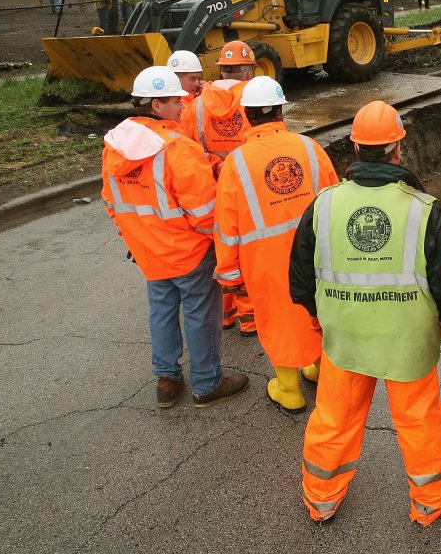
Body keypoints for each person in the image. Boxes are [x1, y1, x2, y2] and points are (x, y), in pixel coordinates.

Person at [289, 100, 441, 525]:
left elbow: (300, 274)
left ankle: (321, 498)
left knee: (334, 418)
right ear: (398, 149)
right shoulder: (425, 210)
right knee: (419, 419)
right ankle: (432, 499)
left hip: (344, 338)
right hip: (407, 341)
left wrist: (317, 317)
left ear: (354, 148)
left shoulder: (324, 204)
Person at [101, 65, 249, 408]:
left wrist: (135, 240)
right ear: (156, 106)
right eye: (175, 102)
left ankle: (166, 380)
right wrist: (220, 244)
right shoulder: (177, 148)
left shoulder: (115, 144)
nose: (183, 106)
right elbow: (204, 213)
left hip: (149, 252)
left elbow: (112, 201)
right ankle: (208, 383)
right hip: (189, 253)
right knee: (201, 315)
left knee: (162, 311)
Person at [214, 76, 339, 413]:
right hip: (314, 254)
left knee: (278, 319)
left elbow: (226, 226)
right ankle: (319, 369)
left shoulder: (235, 163)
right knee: (316, 311)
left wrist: (228, 274)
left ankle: (288, 388)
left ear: (246, 115)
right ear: (281, 110)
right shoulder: (310, 149)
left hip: (263, 262)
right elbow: (336, 198)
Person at [180, 39, 257, 334]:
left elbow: (186, 151)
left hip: (211, 188)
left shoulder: (197, 106)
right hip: (247, 188)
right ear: (249, 70)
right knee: (246, 248)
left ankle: (224, 314)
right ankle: (249, 318)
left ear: (222, 71)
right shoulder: (255, 99)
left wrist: (214, 164)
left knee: (219, 250)